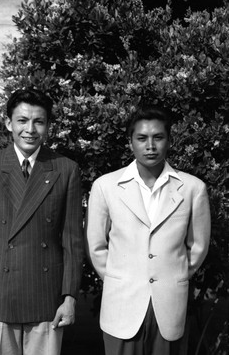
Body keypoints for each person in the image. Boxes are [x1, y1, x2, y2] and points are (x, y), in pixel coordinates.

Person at [0, 89, 84, 355]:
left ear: (48, 127)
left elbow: (72, 241)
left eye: (38, 122)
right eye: (22, 121)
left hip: (47, 296)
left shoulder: (65, 169)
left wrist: (70, 298)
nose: (30, 129)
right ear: (8, 123)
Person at [86, 105, 211, 355]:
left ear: (169, 140)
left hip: (169, 303)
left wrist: (173, 273)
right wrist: (118, 276)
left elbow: (197, 247)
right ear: (131, 142)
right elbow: (96, 246)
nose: (150, 146)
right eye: (142, 138)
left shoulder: (192, 188)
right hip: (121, 304)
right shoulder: (106, 186)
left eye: (158, 137)